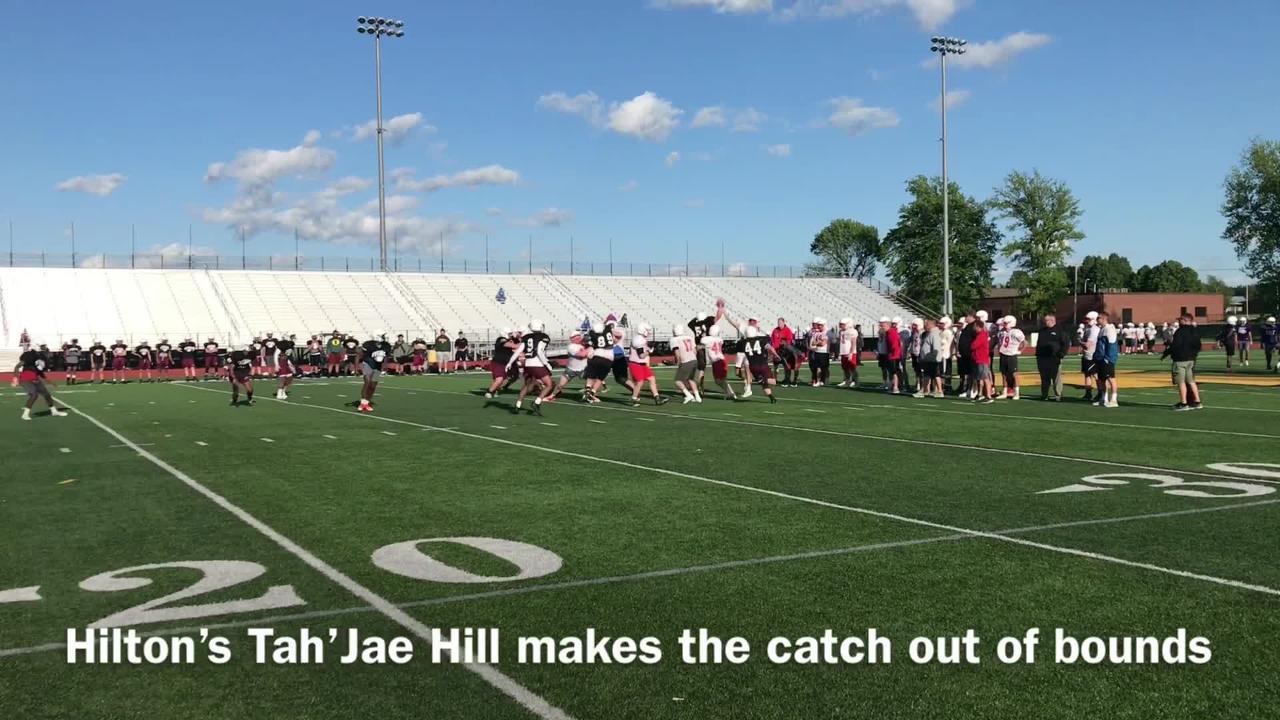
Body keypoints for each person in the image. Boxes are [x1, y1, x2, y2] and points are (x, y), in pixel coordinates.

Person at [15, 344, 68, 421]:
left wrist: (50, 382)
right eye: (42, 346)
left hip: (35, 379)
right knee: (34, 395)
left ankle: (54, 411)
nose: (44, 347)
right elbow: (17, 366)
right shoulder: (29, 356)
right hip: (26, 379)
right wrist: (15, 378)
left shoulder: (40, 357)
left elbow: (40, 373)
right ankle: (25, 414)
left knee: (47, 395)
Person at [1161, 313, 1203, 411]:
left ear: (1185, 320)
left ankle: (1184, 403)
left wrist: (1167, 353)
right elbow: (1198, 345)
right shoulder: (1195, 331)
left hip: (1180, 359)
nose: (1179, 322)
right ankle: (1197, 401)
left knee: (1181, 382)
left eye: (1180, 320)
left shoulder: (1180, 331)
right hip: (1191, 359)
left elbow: (1175, 345)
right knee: (1191, 381)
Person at [515, 320, 554, 414]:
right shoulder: (542, 337)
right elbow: (539, 351)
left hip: (527, 364)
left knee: (527, 385)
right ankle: (537, 402)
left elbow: (519, 351)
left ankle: (518, 405)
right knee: (549, 384)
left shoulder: (527, 336)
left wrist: (511, 362)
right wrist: (547, 364)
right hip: (537, 363)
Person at [628, 324, 668, 407]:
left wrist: (649, 349)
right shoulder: (638, 340)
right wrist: (649, 351)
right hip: (635, 364)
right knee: (640, 382)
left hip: (641, 364)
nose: (649, 332)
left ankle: (657, 398)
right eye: (647, 330)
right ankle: (634, 398)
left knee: (652, 379)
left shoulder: (642, 339)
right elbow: (641, 355)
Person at [548, 329, 591, 402]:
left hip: (584, 368)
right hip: (571, 369)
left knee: (591, 382)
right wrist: (590, 348)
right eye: (577, 337)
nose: (579, 339)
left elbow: (589, 355)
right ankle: (552, 395)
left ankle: (589, 396)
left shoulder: (584, 345)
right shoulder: (571, 346)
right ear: (573, 339)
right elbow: (582, 355)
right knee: (561, 385)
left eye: (579, 337)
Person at [740, 326, 780, 404]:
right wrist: (776, 354)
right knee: (773, 381)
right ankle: (763, 380)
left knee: (764, 384)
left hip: (753, 367)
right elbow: (770, 348)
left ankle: (772, 398)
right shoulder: (761, 340)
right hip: (762, 365)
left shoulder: (743, 343)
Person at [356, 331, 392, 413]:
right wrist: (357, 367)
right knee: (367, 382)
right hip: (368, 363)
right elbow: (359, 354)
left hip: (378, 366)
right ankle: (363, 403)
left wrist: (385, 366)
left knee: (373, 385)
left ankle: (367, 402)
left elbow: (386, 356)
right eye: (382, 335)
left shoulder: (386, 345)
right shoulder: (368, 344)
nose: (384, 337)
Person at [1035, 315, 1069, 401]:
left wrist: (1061, 354)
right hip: (1042, 357)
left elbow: (1065, 343)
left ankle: (1058, 395)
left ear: (1052, 321)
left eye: (1046, 321)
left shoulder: (1060, 330)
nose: (1044, 322)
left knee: (1056, 377)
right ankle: (1044, 395)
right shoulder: (1042, 330)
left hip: (1054, 357)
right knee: (1044, 377)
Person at [1093, 312, 1120, 407]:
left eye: (1098, 318)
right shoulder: (1102, 330)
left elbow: (1111, 345)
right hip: (1100, 358)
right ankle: (1103, 399)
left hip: (1107, 359)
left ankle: (1114, 400)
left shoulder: (1109, 329)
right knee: (1102, 380)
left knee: (1111, 378)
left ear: (1104, 319)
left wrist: (1108, 358)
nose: (1097, 320)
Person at [995, 316, 1026, 400]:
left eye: (1006, 323)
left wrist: (1020, 351)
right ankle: (1005, 392)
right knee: (1004, 374)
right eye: (1004, 323)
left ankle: (1017, 393)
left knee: (1014, 374)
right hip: (1003, 354)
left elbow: (1024, 342)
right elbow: (1000, 342)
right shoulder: (1001, 332)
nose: (1004, 325)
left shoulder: (1017, 332)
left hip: (1011, 355)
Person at [670, 323, 702, 404]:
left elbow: (677, 353)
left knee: (678, 381)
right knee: (691, 379)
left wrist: (678, 362)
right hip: (694, 360)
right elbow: (694, 351)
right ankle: (698, 397)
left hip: (686, 361)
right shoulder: (689, 337)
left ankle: (688, 395)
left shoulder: (674, 340)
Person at [485, 328, 520, 400]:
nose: (511, 335)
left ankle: (494, 390)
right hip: (498, 363)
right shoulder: (501, 339)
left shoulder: (508, 340)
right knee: (499, 379)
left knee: (503, 379)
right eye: (509, 333)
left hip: (503, 363)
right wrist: (524, 342)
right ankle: (489, 392)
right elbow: (515, 346)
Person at [702, 325, 735, 400]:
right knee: (720, 380)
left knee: (719, 381)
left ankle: (730, 393)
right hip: (720, 360)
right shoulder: (720, 339)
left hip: (717, 361)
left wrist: (704, 331)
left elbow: (703, 341)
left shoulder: (706, 339)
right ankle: (729, 393)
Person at [914, 318, 942, 399]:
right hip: (929, 359)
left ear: (931, 324)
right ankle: (926, 390)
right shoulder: (929, 333)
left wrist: (933, 357)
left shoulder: (934, 334)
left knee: (932, 375)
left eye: (926, 324)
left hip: (932, 359)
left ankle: (930, 390)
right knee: (930, 375)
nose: (924, 326)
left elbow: (936, 347)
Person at [970, 317, 993, 403]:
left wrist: (972, 345)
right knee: (980, 378)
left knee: (985, 378)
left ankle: (989, 396)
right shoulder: (980, 335)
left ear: (978, 326)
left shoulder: (982, 335)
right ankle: (980, 394)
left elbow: (974, 345)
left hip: (982, 359)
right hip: (978, 358)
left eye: (974, 326)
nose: (973, 328)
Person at [1080, 311, 1101, 402]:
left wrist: (1080, 342)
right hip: (1087, 354)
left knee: (1095, 375)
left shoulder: (1094, 329)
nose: (1086, 321)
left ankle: (1101, 393)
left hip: (1092, 355)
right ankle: (1088, 393)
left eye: (1088, 319)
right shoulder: (1088, 328)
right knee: (1087, 374)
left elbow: (1088, 345)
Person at [808, 317, 831, 387]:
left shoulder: (827, 332)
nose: (818, 326)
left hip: (825, 352)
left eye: (820, 325)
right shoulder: (816, 332)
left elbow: (823, 343)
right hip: (817, 351)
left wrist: (817, 342)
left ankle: (823, 380)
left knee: (824, 367)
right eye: (818, 325)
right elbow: (813, 342)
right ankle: (818, 380)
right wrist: (818, 342)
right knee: (817, 367)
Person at [837, 318, 859, 388]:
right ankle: (847, 380)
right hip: (843, 352)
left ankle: (855, 381)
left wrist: (851, 353)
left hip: (850, 352)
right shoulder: (841, 331)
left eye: (842, 324)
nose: (841, 326)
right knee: (845, 368)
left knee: (852, 368)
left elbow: (853, 343)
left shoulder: (853, 331)